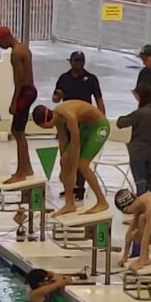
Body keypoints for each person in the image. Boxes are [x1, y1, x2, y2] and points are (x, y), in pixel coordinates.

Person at [32, 101, 111, 215]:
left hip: (99, 127)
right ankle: (70, 204)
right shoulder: (57, 116)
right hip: (86, 128)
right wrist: (63, 165)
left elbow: (76, 145)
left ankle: (102, 202)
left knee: (82, 165)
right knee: (65, 161)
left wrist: (73, 171)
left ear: (44, 123)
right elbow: (63, 141)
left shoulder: (69, 116)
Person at [53, 51, 106, 200]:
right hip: (67, 123)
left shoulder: (91, 79)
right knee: (66, 156)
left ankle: (80, 188)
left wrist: (102, 119)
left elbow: (99, 100)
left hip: (84, 124)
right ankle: (69, 187)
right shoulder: (63, 79)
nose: (78, 63)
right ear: (70, 61)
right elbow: (55, 99)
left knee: (80, 156)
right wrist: (58, 95)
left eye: (81, 60)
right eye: (76, 60)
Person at [0, 26, 37, 183]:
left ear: (6, 38)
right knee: (19, 131)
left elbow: (19, 80)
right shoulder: (23, 47)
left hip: (25, 92)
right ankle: (27, 168)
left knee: (18, 131)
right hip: (30, 90)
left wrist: (14, 101)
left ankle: (21, 172)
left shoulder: (16, 53)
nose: (0, 46)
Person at [116, 83, 151, 195]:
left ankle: (142, 205)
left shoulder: (140, 113)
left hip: (138, 150)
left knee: (140, 181)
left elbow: (121, 123)